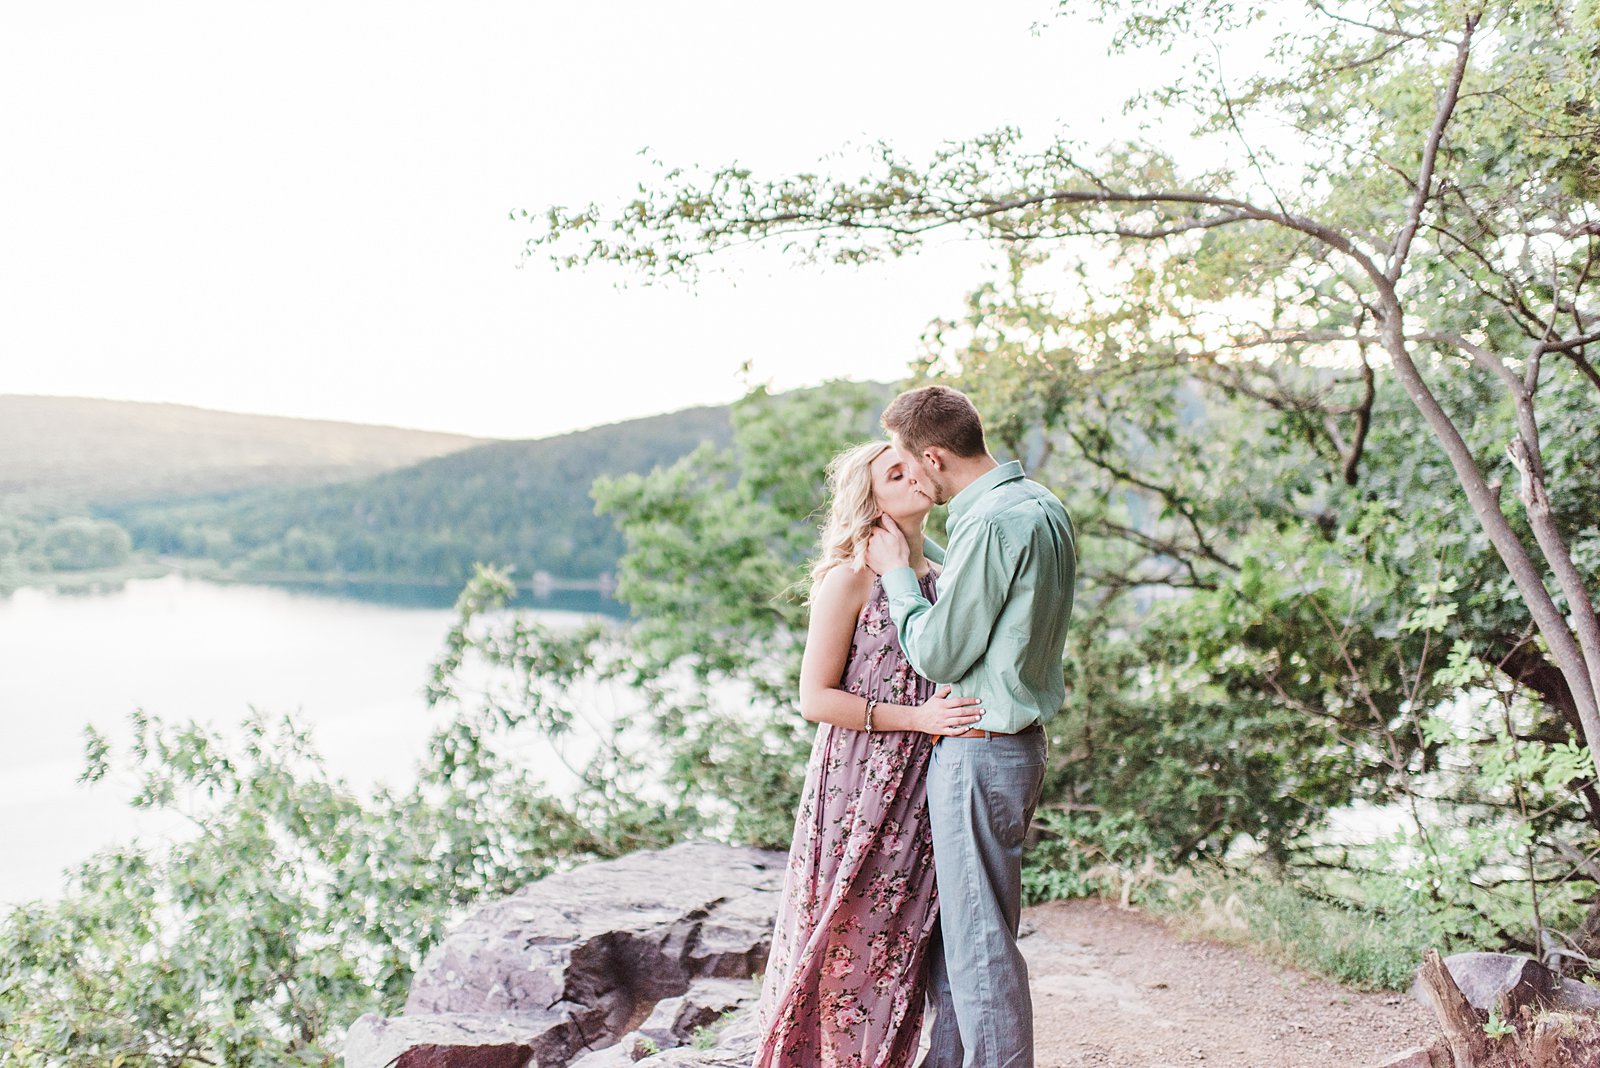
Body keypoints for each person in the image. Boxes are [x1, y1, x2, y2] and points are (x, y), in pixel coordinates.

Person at [754, 440, 990, 1068]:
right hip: (854, 787)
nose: (915, 473)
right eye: (895, 471)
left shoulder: (937, 582)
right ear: (871, 499)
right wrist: (920, 719)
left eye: (914, 463)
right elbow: (814, 698)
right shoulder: (849, 577)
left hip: (922, 788)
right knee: (842, 944)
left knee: (895, 952)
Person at [865, 385, 1077, 1068]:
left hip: (980, 748)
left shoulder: (988, 524)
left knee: (982, 945)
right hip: (1015, 747)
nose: (911, 477)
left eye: (906, 462)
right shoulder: (1044, 506)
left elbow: (938, 653)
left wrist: (899, 577)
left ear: (933, 455)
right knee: (970, 935)